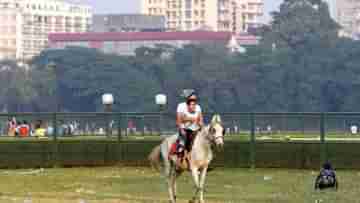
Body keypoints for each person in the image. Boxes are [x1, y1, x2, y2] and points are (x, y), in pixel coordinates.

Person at [176, 89, 204, 158]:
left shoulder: (198, 107)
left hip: (196, 129)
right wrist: (181, 129)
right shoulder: (181, 106)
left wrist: (201, 126)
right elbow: (179, 119)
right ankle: (179, 157)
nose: (195, 97)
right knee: (182, 141)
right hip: (185, 128)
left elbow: (200, 119)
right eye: (193, 95)